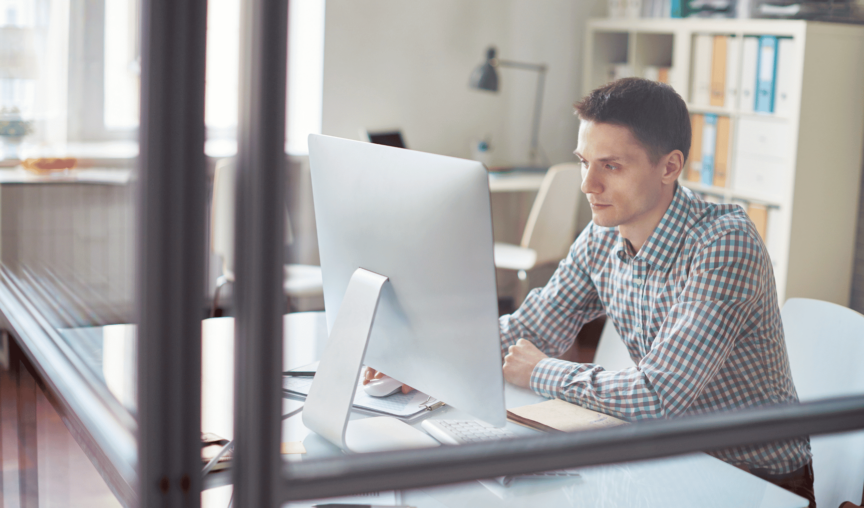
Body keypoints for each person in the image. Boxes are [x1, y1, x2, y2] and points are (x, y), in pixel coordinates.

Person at [500, 77, 814, 505]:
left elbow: (657, 396)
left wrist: (540, 371)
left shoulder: (724, 243)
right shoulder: (602, 235)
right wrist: (423, 359)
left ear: (669, 167)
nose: (587, 184)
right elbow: (531, 329)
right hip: (667, 460)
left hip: (755, 480)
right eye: (583, 161)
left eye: (610, 166)